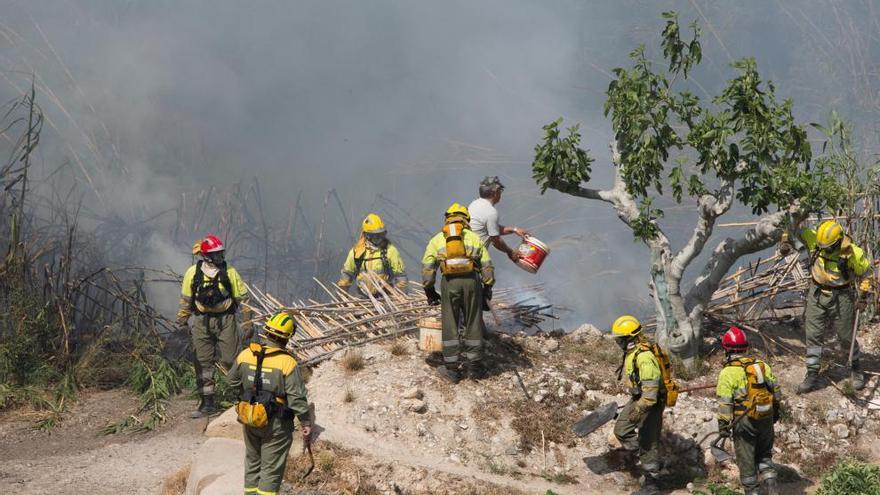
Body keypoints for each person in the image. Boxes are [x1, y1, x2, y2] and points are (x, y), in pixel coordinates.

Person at [227, 312, 311, 495]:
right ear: (288, 337)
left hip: (249, 416)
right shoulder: (287, 362)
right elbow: (296, 398)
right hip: (276, 424)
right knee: (271, 470)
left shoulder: (246, 354)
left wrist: (249, 394)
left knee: (253, 462)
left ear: (266, 332)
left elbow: (231, 381)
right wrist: (306, 422)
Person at [176, 234, 253, 418]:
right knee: (203, 362)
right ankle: (207, 403)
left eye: (221, 253)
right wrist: (182, 320)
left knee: (231, 359)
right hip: (201, 321)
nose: (220, 257)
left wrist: (248, 321)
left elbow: (244, 298)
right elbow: (186, 300)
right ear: (206, 256)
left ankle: (243, 398)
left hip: (226, 320)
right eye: (216, 254)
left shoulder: (230, 272)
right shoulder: (192, 273)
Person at [796, 220, 872, 394]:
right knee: (813, 334)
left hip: (841, 295)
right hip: (816, 293)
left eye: (828, 247)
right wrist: (787, 236)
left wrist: (864, 296)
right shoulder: (815, 240)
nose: (824, 250)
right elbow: (795, 229)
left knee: (846, 337)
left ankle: (856, 369)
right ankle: (812, 372)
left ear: (838, 241)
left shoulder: (853, 253)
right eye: (822, 246)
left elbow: (866, 274)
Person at [421, 203, 494, 383]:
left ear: (447, 218)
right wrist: (487, 288)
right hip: (471, 281)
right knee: (473, 321)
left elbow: (428, 268)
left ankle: (452, 370)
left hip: (449, 283)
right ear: (466, 219)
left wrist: (430, 290)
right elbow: (487, 266)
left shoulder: (438, 239)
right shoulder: (474, 238)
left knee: (450, 322)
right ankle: (474, 368)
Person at [716, 326, 780, 495]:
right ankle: (772, 488)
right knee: (765, 455)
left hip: (743, 422)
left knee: (746, 462)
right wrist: (776, 412)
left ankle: (752, 491)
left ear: (726, 349)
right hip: (766, 417)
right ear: (745, 347)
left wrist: (723, 426)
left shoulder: (727, 372)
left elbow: (725, 404)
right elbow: (777, 392)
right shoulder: (762, 365)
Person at [611, 315, 668, 493]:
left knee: (648, 439)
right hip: (639, 398)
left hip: (651, 403)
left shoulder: (644, 357)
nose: (618, 343)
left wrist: (639, 408)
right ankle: (644, 458)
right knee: (621, 429)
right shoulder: (632, 353)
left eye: (620, 339)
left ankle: (652, 483)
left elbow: (650, 395)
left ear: (629, 338)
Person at [337, 213, 408, 295]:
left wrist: (401, 298)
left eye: (381, 235)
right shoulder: (357, 252)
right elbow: (346, 276)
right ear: (366, 235)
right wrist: (341, 297)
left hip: (385, 298)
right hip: (362, 298)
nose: (379, 239)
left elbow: (401, 278)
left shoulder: (390, 251)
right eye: (375, 236)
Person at [467, 176, 529, 262]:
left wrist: (514, 230)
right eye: (500, 191)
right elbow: (496, 241)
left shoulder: (474, 204)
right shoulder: (491, 212)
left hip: (463, 253)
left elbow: (490, 228)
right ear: (495, 192)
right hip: (472, 259)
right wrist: (510, 252)